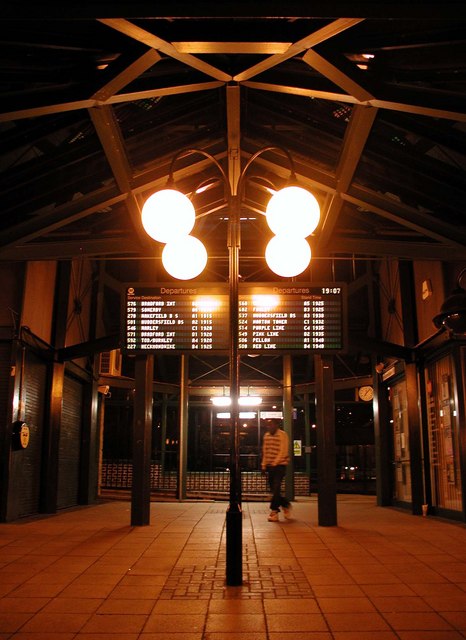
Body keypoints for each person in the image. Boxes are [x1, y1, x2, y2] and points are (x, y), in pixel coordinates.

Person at [261, 419, 292, 522]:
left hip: (280, 465)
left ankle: (274, 511)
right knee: (274, 490)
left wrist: (275, 462)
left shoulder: (283, 435)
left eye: (271, 425)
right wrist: (264, 465)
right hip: (270, 466)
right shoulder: (266, 436)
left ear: (276, 425)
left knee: (276, 486)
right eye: (267, 425)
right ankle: (286, 505)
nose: (269, 427)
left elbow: (283, 450)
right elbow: (265, 450)